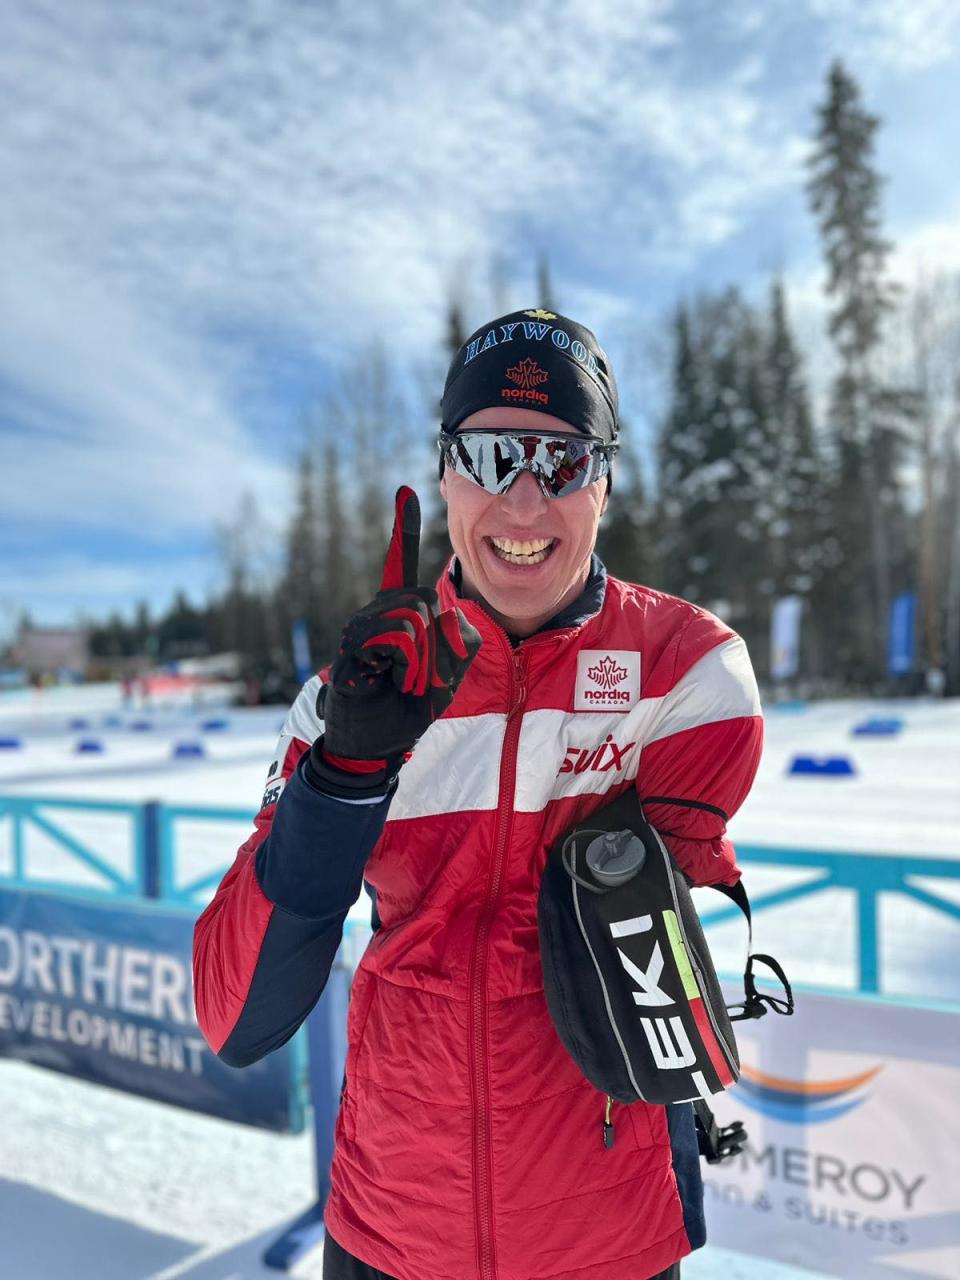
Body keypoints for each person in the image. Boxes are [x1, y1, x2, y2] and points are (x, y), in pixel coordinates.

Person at [193, 309, 764, 1280]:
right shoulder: (348, 696)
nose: (526, 499)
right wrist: (344, 777)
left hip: (608, 1239)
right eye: (495, 454)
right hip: (391, 1229)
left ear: (606, 482)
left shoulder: (691, 673)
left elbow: (664, 981)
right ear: (447, 473)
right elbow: (239, 1015)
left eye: (564, 460)